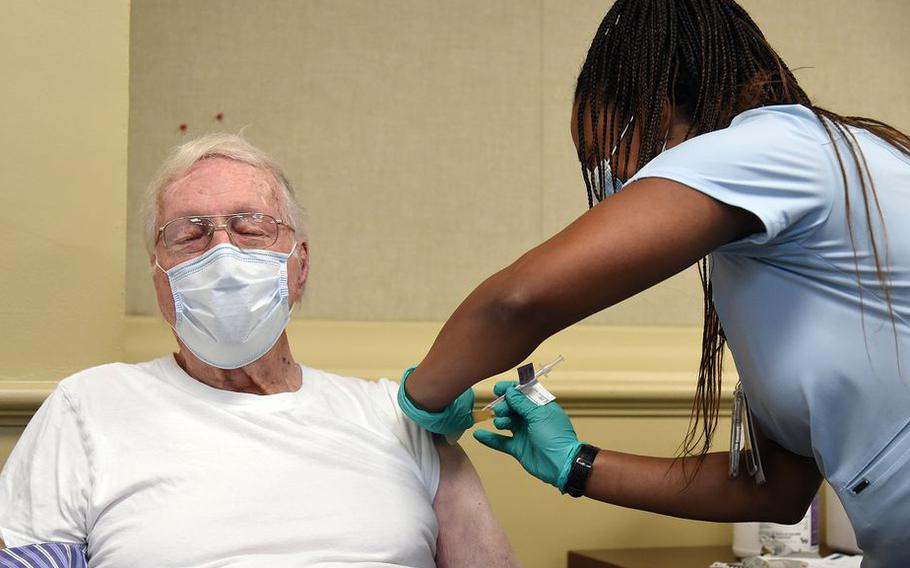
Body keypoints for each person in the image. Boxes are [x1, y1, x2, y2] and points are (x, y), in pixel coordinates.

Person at [396, 1, 910, 566]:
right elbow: (777, 488)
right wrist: (574, 461)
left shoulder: (772, 149)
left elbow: (516, 303)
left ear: (660, 112)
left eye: (605, 154)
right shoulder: (783, 226)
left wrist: (420, 399)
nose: (615, 182)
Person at [0, 134, 519, 568]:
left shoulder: (398, 421)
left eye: (251, 228)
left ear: (301, 266)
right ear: (158, 275)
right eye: (189, 235)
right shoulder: (87, 409)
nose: (223, 255)